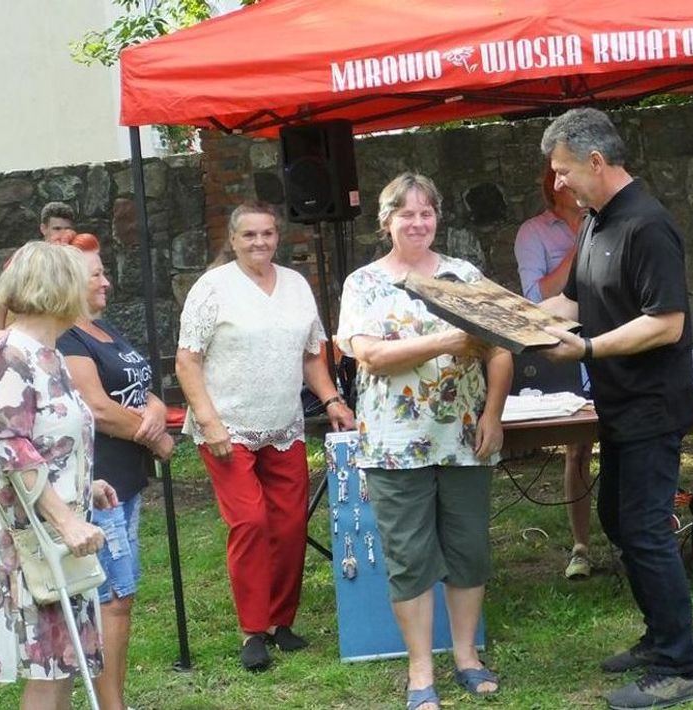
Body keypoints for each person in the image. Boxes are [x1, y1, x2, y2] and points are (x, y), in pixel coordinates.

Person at [536, 108, 693, 709]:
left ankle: (680, 664)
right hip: (616, 406)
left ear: (595, 161)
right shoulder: (594, 222)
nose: (558, 183)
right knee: (617, 518)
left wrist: (587, 348)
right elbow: (570, 302)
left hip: (653, 406)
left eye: (562, 171)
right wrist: (503, 317)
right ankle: (658, 636)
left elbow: (666, 325)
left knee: (642, 529)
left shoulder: (647, 225)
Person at [336, 172, 512, 710]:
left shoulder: (465, 276)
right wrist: (451, 338)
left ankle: (466, 656)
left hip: (464, 436)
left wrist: (494, 414)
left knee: (468, 550)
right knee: (409, 556)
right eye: (406, 214)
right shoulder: (363, 283)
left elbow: (501, 349)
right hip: (394, 442)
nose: (417, 223)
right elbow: (369, 355)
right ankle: (420, 671)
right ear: (386, 221)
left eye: (427, 213)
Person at [175, 201, 354, 671]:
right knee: (251, 522)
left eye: (268, 234)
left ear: (279, 237)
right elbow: (187, 361)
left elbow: (313, 355)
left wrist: (333, 400)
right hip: (227, 426)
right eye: (249, 235)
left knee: (291, 525)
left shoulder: (296, 286)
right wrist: (209, 421)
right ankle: (252, 630)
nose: (260, 243)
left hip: (284, 424)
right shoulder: (212, 288)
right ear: (232, 240)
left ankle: (281, 622)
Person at [0, 241, 118, 708]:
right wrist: (66, 520)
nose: (98, 284)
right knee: (48, 664)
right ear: (59, 288)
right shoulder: (9, 353)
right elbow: (11, 448)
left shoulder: (47, 353)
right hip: (30, 533)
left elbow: (47, 439)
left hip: (53, 524)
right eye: (85, 277)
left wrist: (81, 483)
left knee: (62, 660)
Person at [58, 233, 175, 710]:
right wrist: (157, 436)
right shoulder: (68, 336)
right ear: (69, 282)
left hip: (125, 479)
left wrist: (158, 407)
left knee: (120, 597)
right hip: (98, 482)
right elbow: (98, 409)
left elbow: (139, 386)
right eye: (97, 275)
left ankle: (114, 701)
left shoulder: (104, 329)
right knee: (111, 597)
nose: (107, 281)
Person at [515, 162, 596, 580]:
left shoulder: (607, 217)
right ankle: (581, 546)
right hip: (564, 348)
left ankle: (628, 534)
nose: (564, 181)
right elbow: (536, 297)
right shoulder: (534, 233)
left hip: (611, 340)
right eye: (557, 175)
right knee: (577, 447)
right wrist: (580, 242)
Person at [0, 202, 79, 330]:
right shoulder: (27, 257)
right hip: (34, 329)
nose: (62, 234)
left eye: (67, 229)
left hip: (71, 331)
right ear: (43, 229)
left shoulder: (78, 258)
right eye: (56, 229)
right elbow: (3, 295)